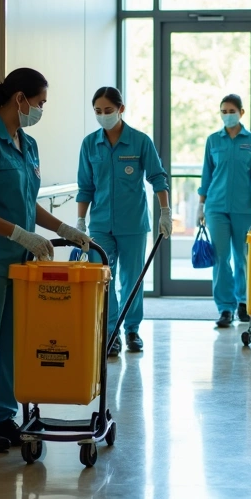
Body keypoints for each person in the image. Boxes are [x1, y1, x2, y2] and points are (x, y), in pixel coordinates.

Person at [0, 68, 92, 453]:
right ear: (20, 99)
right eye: (40, 103)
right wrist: (17, 233)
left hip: (17, 261)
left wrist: (64, 227)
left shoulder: (27, 144)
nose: (41, 110)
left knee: (12, 342)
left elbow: (29, 203)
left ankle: (0, 414)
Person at [76, 86, 171, 356]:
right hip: (100, 224)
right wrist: (80, 222)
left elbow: (157, 178)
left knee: (132, 280)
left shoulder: (140, 141)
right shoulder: (89, 144)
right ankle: (110, 333)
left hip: (133, 224)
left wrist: (165, 212)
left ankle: (132, 330)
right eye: (97, 111)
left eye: (108, 110)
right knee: (104, 278)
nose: (103, 116)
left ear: (121, 109)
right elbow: (85, 187)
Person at [197, 94, 251, 328]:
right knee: (220, 258)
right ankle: (225, 308)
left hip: (243, 209)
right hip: (216, 207)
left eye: (231, 111)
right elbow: (206, 175)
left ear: (241, 112)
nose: (227, 115)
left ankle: (244, 303)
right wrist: (201, 205)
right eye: (223, 111)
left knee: (242, 258)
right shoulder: (213, 141)